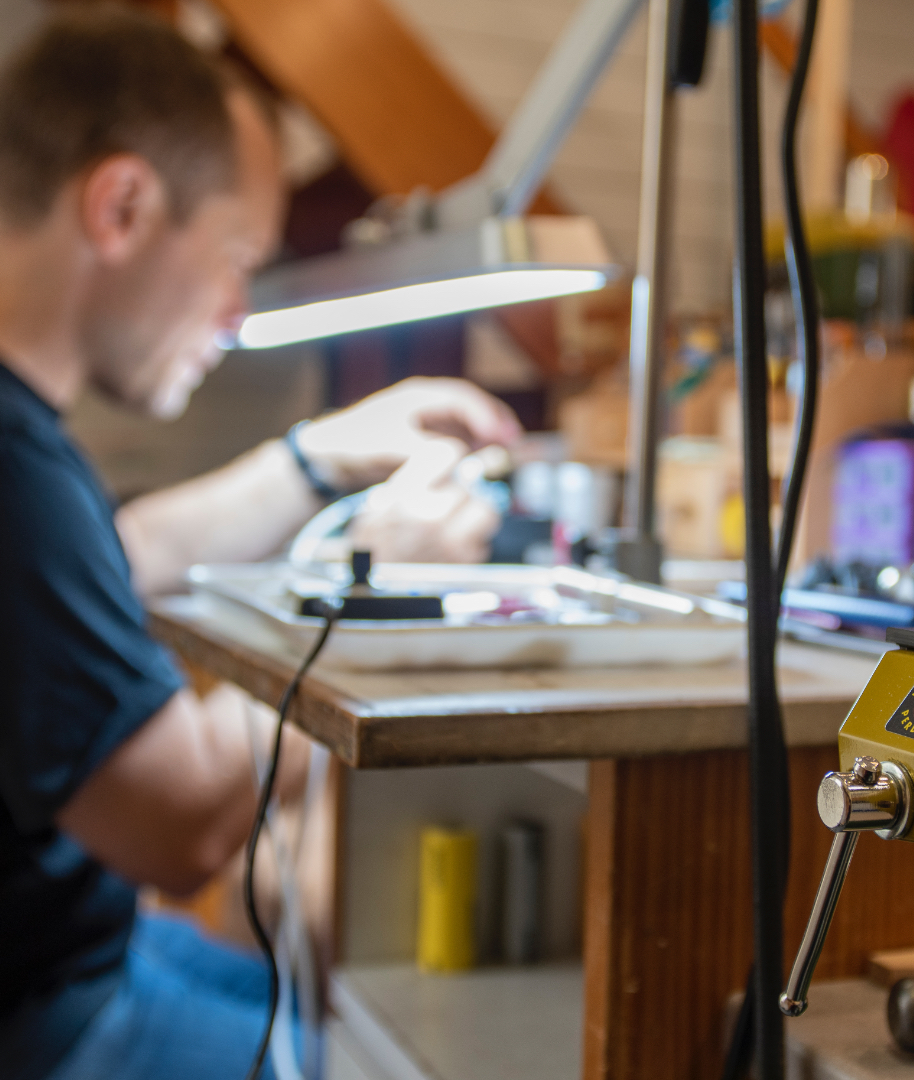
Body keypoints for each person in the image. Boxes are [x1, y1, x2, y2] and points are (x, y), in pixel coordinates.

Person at [0, 8, 520, 1080]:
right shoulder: (12, 465)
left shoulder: (26, 450)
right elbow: (181, 820)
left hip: (72, 956)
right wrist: (369, 587)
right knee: (369, 1053)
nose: (240, 312)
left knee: (312, 1005)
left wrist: (318, 459)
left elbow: (115, 550)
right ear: (122, 205)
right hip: (43, 1013)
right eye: (236, 255)